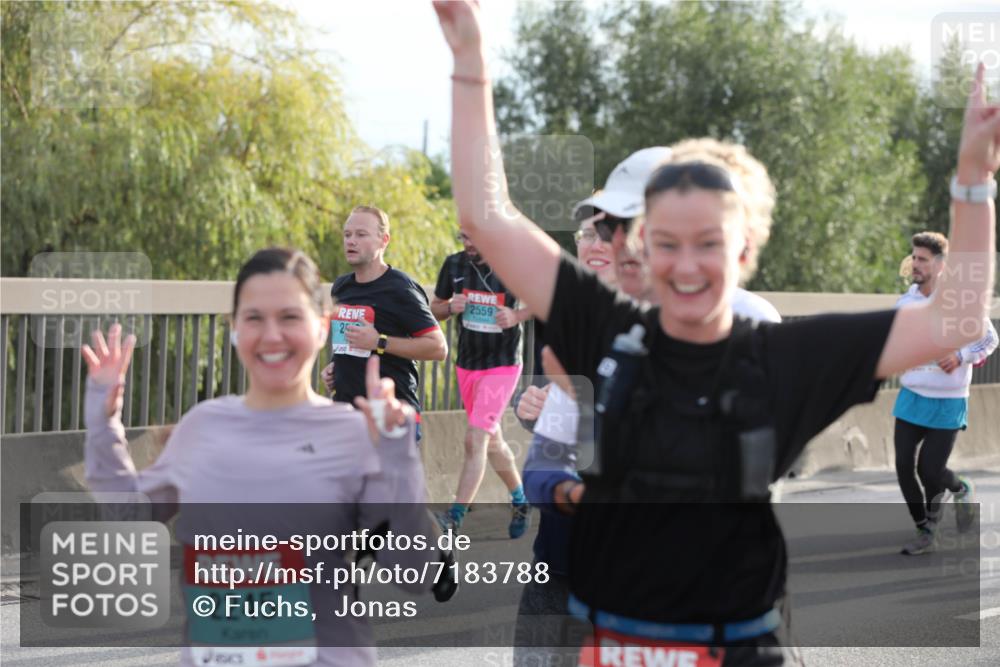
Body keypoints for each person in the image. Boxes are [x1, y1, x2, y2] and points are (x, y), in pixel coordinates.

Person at [434, 2, 998, 663]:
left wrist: (972, 183)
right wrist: (470, 63)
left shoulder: (784, 355)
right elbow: (487, 216)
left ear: (746, 247)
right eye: (665, 241)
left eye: (710, 241)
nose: (687, 263)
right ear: (640, 246)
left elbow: (954, 320)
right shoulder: (608, 327)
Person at [84, 248, 448, 667]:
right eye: (254, 318)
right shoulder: (203, 426)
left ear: (322, 327)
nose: (271, 335)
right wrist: (102, 417)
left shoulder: (353, 434)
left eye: (290, 317)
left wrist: (398, 455)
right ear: (235, 328)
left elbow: (415, 571)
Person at [893, 231, 998, 555]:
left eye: (922, 259)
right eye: (914, 257)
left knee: (930, 469)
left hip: (948, 401)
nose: (915, 264)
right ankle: (925, 527)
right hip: (911, 396)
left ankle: (960, 488)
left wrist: (960, 356)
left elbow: (989, 339)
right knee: (902, 466)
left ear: (940, 265)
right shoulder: (906, 302)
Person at [430, 229, 533, 536]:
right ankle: (521, 499)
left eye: (476, 237)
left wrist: (516, 316)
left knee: (475, 439)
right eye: (464, 237)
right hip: (468, 365)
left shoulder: (514, 265)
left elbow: (546, 302)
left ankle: (454, 516)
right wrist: (450, 307)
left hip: (502, 365)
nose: (469, 245)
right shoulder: (454, 265)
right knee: (492, 441)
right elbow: (434, 307)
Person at [322, 205, 448, 441]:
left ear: (384, 240)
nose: (351, 241)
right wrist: (335, 367)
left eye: (361, 234)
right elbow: (349, 341)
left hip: (392, 414)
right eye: (347, 234)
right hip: (347, 412)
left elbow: (438, 348)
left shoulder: (400, 288)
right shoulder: (341, 287)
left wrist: (378, 341)